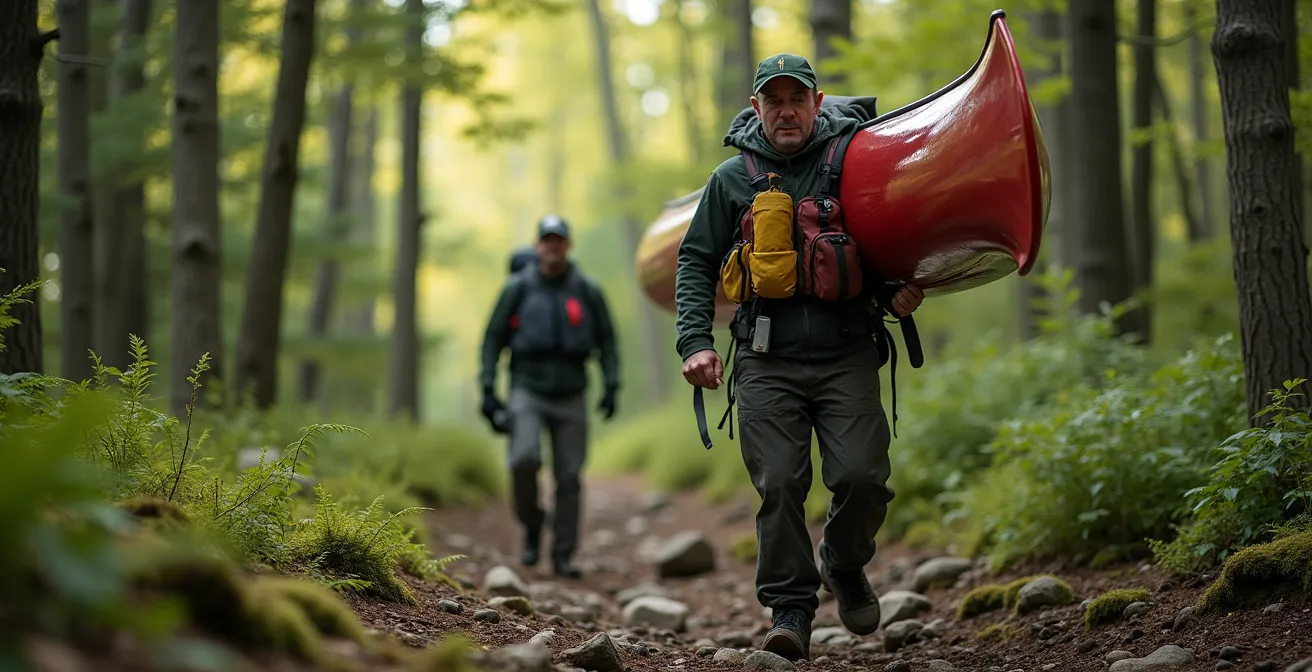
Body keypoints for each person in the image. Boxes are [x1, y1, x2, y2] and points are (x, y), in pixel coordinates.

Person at [673, 54, 924, 661]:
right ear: (756, 108)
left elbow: (883, 246)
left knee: (864, 477)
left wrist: (899, 292)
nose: (786, 110)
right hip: (765, 357)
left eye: (797, 98)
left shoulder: (857, 164)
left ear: (817, 102)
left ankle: (843, 562)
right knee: (780, 483)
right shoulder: (732, 178)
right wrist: (696, 342)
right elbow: (696, 261)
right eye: (774, 100)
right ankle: (790, 607)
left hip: (847, 351)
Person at [479, 214, 620, 579]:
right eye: (547, 240)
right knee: (523, 459)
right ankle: (532, 524)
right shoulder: (518, 288)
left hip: (572, 392)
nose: (553, 246)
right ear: (538, 245)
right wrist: (488, 389)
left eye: (559, 240)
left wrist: (612, 385)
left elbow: (607, 340)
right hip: (527, 388)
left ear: (568, 245)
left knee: (569, 476)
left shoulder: (587, 290)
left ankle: (562, 554)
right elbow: (493, 338)